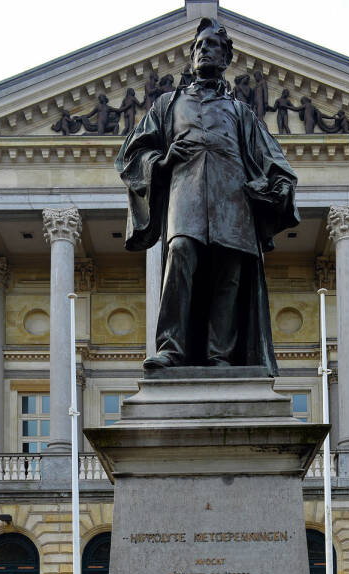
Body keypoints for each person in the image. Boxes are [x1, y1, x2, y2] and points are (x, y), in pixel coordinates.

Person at [116, 17, 298, 372]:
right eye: (199, 46)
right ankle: (171, 348)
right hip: (186, 196)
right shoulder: (168, 105)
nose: (204, 51)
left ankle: (220, 355)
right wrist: (162, 161)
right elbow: (132, 155)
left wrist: (277, 187)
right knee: (181, 252)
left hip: (233, 200)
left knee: (228, 272)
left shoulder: (241, 112)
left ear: (226, 57)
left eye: (211, 45)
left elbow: (275, 161)